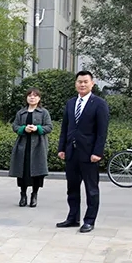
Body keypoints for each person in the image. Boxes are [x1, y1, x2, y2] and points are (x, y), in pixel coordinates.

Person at [56, 70, 109, 233]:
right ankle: (73, 218)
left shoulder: (99, 103)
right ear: (75, 84)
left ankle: (89, 220)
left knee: (91, 189)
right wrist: (61, 148)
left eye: (86, 81)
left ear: (92, 84)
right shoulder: (71, 103)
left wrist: (97, 152)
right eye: (80, 81)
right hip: (71, 152)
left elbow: (102, 131)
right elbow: (65, 127)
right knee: (72, 188)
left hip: (89, 154)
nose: (82, 84)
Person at [8, 88, 53, 207]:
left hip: (38, 146)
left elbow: (49, 127)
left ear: (39, 98)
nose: (32, 98)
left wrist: (37, 128)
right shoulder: (21, 112)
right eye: (30, 95)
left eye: (35, 96)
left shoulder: (44, 112)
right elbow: (15, 126)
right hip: (23, 146)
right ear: (26, 98)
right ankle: (23, 195)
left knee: (37, 172)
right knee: (22, 172)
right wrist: (23, 129)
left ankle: (34, 195)